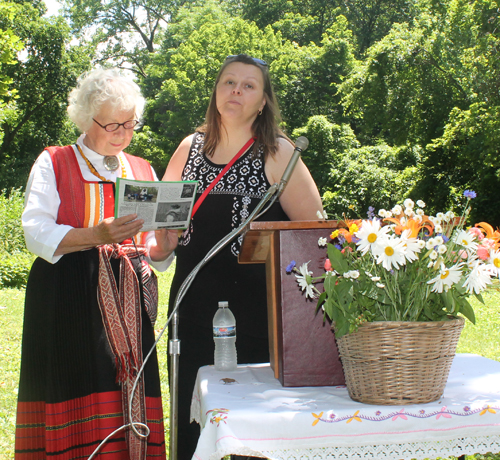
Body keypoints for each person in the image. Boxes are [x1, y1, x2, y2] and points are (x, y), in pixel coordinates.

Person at [162, 54, 324, 459]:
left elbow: (316, 234)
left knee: (255, 431)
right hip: (192, 306)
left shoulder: (279, 153)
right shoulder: (189, 148)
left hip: (259, 314)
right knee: (192, 419)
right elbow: (161, 235)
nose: (235, 90)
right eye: (228, 82)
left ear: (264, 100)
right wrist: (158, 236)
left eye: (248, 85)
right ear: (216, 91)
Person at [15, 68, 177, 460]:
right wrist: (95, 235)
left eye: (130, 123)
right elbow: (35, 231)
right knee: (73, 390)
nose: (122, 133)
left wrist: (166, 243)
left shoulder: (141, 169)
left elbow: (153, 250)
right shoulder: (54, 161)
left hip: (128, 305)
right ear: (86, 119)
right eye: (112, 124)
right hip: (67, 297)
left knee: (128, 389)